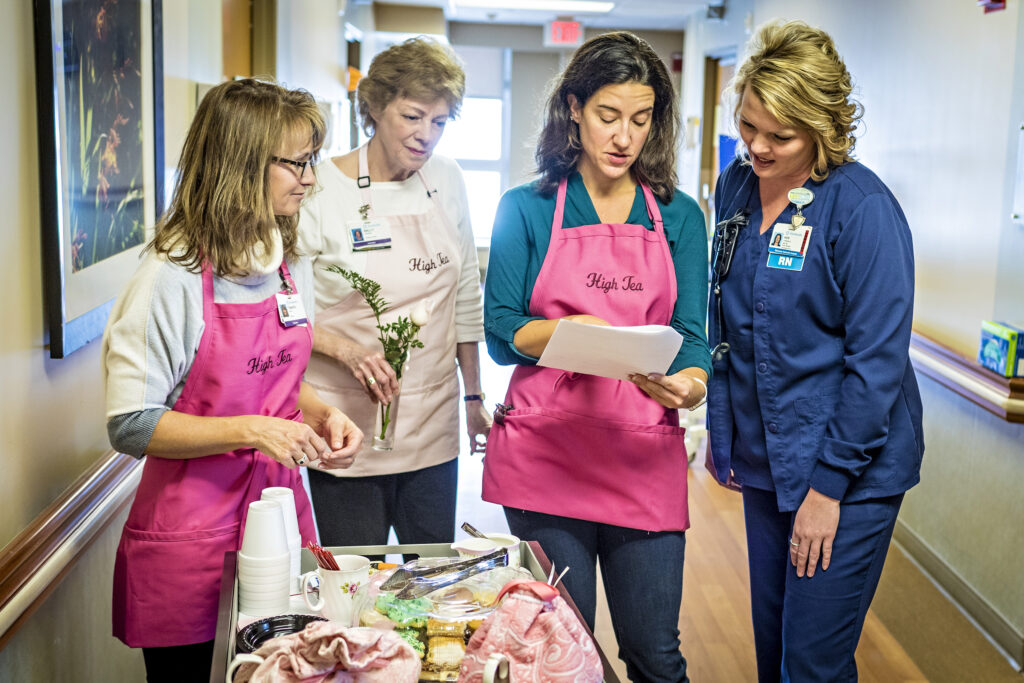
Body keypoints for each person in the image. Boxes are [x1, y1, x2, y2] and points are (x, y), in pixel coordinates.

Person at [103, 78, 363, 682]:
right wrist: (253, 430)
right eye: (297, 163)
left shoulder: (284, 258)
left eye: (313, 160)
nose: (311, 178)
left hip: (278, 514)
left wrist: (320, 412)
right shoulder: (170, 278)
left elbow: (264, 372)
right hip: (193, 539)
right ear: (243, 164)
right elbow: (130, 423)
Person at [483, 32, 711, 683]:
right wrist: (562, 330)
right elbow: (501, 329)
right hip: (545, 457)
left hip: (642, 452)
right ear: (574, 108)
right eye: (609, 116)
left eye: (641, 120)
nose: (624, 137)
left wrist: (691, 384)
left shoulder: (679, 217)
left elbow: (690, 334)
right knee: (562, 654)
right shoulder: (525, 209)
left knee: (655, 655)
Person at [706, 21, 924, 682]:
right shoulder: (737, 188)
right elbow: (730, 323)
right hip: (768, 459)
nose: (758, 148)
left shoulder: (862, 210)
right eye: (749, 126)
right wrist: (723, 434)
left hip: (847, 473)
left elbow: (876, 364)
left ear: (823, 129)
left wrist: (828, 487)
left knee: (812, 662)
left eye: (781, 136)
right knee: (774, 652)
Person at [298, 37, 490, 549]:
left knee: (432, 573)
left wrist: (473, 397)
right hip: (344, 427)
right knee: (356, 579)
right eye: (412, 116)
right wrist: (345, 348)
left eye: (440, 122)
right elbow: (284, 315)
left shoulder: (447, 178)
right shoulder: (318, 190)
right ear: (376, 107)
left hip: (433, 424)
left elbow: (465, 294)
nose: (426, 135)